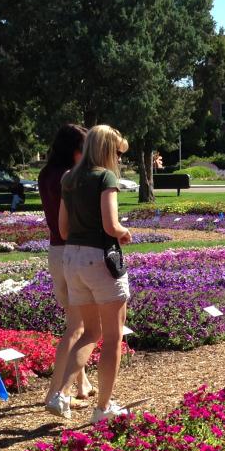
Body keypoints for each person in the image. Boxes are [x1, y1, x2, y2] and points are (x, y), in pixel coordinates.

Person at [49, 125, 133, 424]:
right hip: (100, 259)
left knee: (89, 332)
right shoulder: (104, 177)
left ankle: (59, 392)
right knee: (112, 338)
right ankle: (104, 406)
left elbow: (62, 229)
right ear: (107, 150)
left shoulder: (68, 178)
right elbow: (111, 225)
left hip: (72, 258)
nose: (119, 160)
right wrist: (124, 232)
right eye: (117, 153)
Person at [39, 124, 92, 415]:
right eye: (83, 149)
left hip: (55, 251)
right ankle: (56, 390)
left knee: (76, 320)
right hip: (72, 250)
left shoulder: (46, 174)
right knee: (78, 327)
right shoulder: (69, 178)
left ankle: (82, 383)